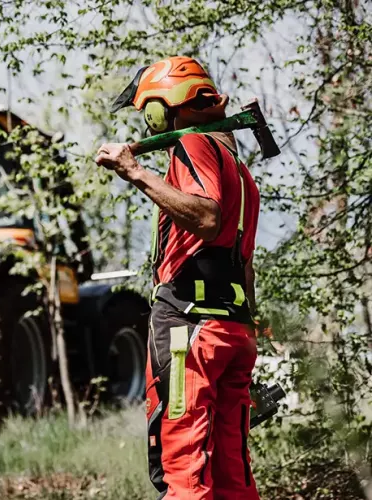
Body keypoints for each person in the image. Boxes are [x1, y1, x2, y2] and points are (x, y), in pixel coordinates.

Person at [95, 56, 261, 500]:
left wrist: (134, 172)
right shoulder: (241, 174)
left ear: (161, 107)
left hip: (190, 331)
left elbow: (205, 217)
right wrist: (248, 330)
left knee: (182, 467)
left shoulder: (193, 145)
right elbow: (244, 263)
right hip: (233, 329)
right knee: (232, 472)